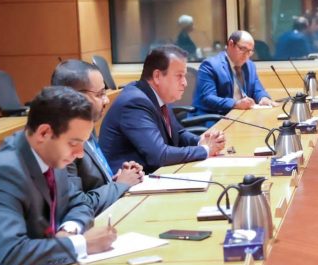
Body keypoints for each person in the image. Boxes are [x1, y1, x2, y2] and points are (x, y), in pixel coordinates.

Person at [0, 87, 117, 265]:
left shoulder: (51, 156)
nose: (80, 153)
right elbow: (9, 255)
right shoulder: (4, 172)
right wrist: (82, 244)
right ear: (44, 133)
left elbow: (79, 203)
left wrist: (69, 229)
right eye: (74, 143)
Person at [100, 45, 226, 173]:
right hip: (131, 181)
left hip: (155, 173)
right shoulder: (135, 103)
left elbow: (178, 134)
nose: (185, 83)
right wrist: (205, 150)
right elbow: (159, 156)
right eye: (179, 76)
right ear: (157, 76)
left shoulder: (157, 96)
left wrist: (200, 141)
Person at [51, 60, 144, 214]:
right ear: (74, 97)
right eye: (100, 94)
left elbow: (92, 186)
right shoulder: (58, 141)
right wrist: (120, 185)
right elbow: (76, 206)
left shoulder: (86, 125)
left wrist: (120, 178)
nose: (106, 100)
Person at [192, 31, 274, 115]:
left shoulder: (250, 65)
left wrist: (263, 98)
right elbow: (208, 98)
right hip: (213, 116)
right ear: (231, 44)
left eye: (250, 51)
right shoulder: (210, 65)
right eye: (243, 49)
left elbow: (257, 89)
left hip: (239, 114)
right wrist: (235, 104)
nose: (246, 55)